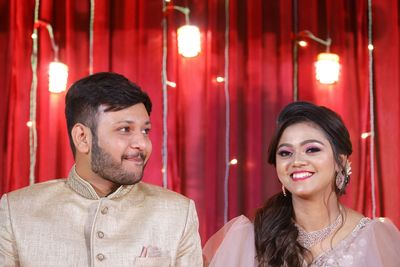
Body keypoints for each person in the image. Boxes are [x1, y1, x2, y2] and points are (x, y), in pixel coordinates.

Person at [0, 72, 202, 266]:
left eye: (145, 131)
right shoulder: (17, 211)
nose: (143, 144)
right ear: (82, 138)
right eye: (125, 129)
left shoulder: (177, 213)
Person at [203, 101, 400, 266]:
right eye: (285, 153)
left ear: (341, 161)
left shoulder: (375, 237)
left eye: (312, 149)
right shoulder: (250, 238)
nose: (297, 161)